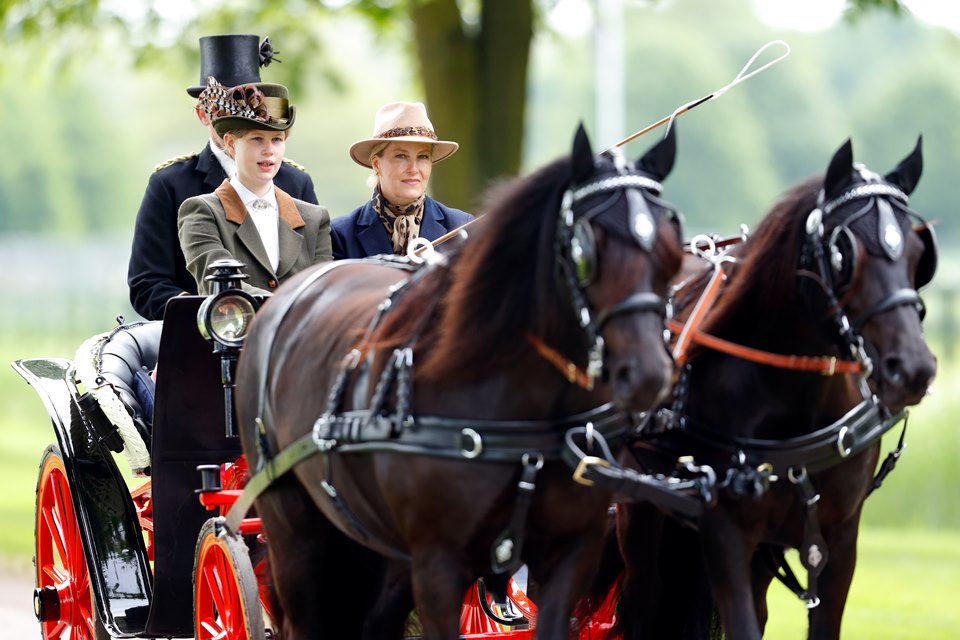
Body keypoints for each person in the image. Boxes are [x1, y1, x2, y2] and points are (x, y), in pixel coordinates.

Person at [127, 34, 318, 319]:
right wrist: (217, 317)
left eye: (244, 102)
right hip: (205, 340)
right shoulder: (170, 184)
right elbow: (147, 285)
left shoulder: (295, 182)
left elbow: (317, 271)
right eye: (225, 106)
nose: (238, 114)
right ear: (203, 114)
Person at [178, 79, 331, 295]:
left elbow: (324, 289)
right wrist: (284, 307)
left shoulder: (314, 218)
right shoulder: (203, 212)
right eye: (257, 139)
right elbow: (221, 286)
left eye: (277, 139)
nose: (269, 150)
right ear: (231, 144)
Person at [331, 101, 472, 259]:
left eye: (423, 157)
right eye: (401, 156)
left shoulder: (462, 227)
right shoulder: (340, 234)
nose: (413, 168)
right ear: (376, 164)